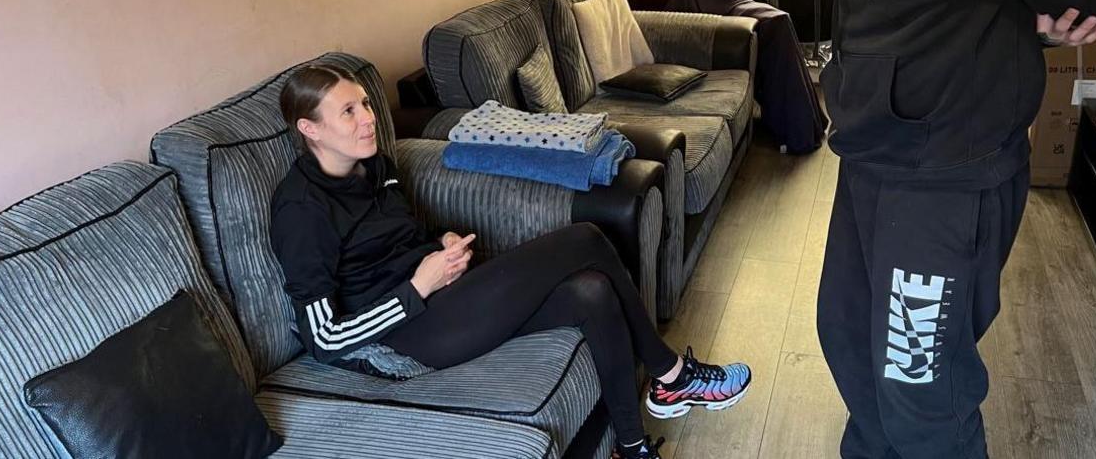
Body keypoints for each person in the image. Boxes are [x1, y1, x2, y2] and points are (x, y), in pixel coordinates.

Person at [682, 0, 1096, 457]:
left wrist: (1029, 11)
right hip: (876, 163)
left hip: (945, 179)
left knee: (920, 390)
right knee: (850, 340)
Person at [269, 64, 753, 459]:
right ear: (309, 129)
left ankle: (631, 446)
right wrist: (416, 288)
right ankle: (671, 376)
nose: (368, 118)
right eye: (348, 112)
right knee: (586, 237)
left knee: (592, 289)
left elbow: (403, 238)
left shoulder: (374, 163)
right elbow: (323, 337)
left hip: (444, 294)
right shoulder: (301, 211)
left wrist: (443, 244)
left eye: (367, 104)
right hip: (406, 335)